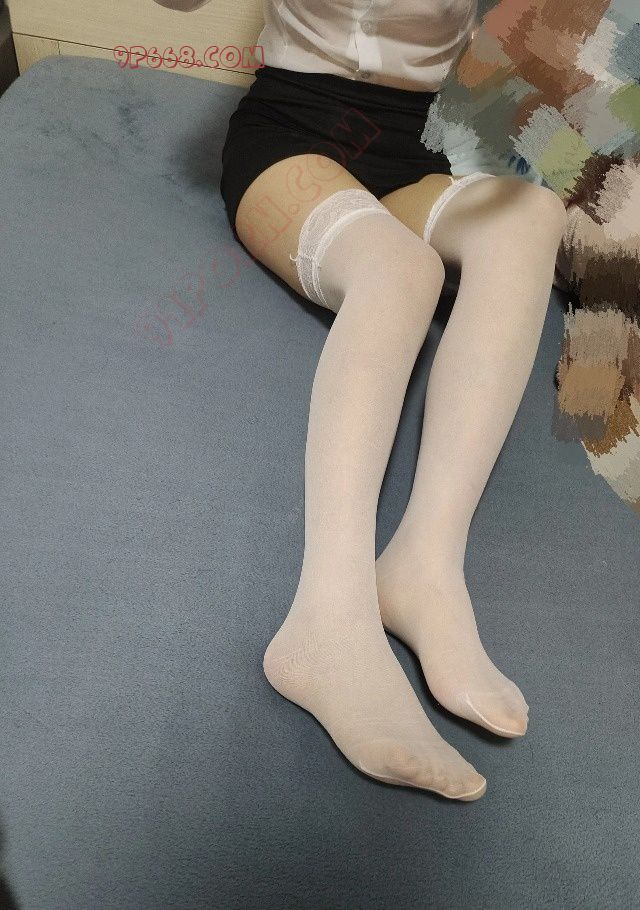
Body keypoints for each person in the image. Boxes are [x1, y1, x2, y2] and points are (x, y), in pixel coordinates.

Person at [219, 0, 568, 801]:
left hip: (419, 143)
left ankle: (423, 565)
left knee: (532, 215)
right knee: (402, 272)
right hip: (294, 135)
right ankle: (326, 620)